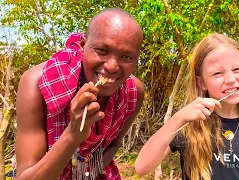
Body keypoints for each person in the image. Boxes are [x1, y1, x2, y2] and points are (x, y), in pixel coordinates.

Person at [134, 33, 239, 180]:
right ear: (201, 82)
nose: (231, 79)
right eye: (218, 73)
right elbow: (141, 167)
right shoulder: (189, 123)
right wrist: (178, 118)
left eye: (237, 69)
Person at [15, 8, 144, 180]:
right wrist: (73, 135)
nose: (112, 66)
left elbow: (113, 145)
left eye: (126, 57)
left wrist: (86, 175)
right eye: (102, 50)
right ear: (83, 45)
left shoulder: (133, 92)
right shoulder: (38, 83)